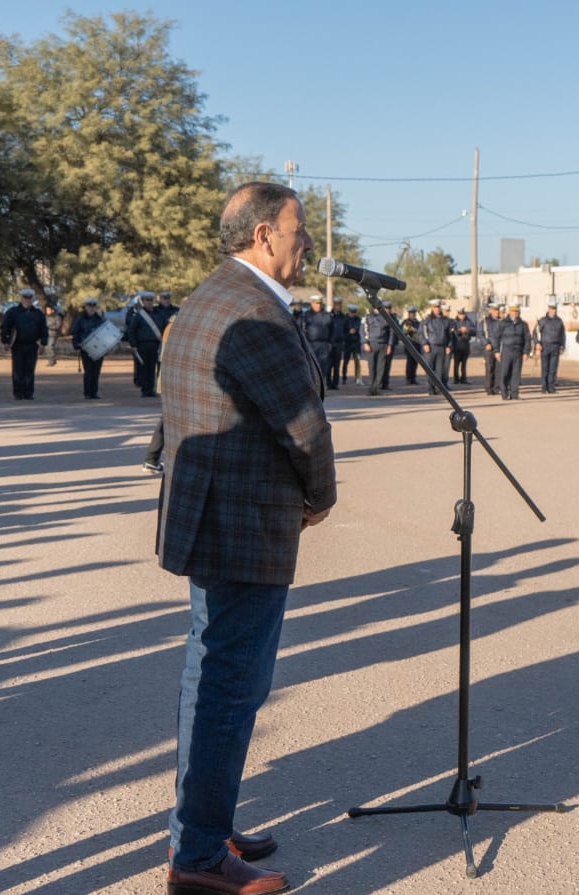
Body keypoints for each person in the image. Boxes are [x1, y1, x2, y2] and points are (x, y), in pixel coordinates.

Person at [158, 181, 333, 895]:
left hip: (211, 515)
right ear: (264, 235)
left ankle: (202, 825)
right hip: (241, 521)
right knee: (230, 687)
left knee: (212, 677)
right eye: (299, 231)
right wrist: (320, 497)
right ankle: (198, 858)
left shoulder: (212, 294)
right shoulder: (255, 308)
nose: (306, 244)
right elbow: (304, 425)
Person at [1, 289, 47, 400]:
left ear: (32, 299)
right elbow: (5, 327)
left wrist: (43, 343)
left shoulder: (38, 314)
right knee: (17, 370)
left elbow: (43, 329)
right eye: (25, 298)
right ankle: (18, 393)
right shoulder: (12, 312)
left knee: (30, 370)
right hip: (17, 345)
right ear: (21, 298)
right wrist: (5, 341)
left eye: (29, 298)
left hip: (32, 345)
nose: (27, 300)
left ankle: (28, 393)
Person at [71, 298, 109, 399]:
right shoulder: (80, 319)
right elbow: (75, 332)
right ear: (86, 307)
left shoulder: (100, 319)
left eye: (93, 306)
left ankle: (94, 392)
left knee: (96, 371)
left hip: (99, 348)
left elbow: (105, 333)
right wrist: (77, 344)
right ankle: (87, 393)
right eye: (89, 306)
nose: (91, 308)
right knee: (88, 371)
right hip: (86, 348)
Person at [495, 302, 532, 399]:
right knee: (505, 372)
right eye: (513, 311)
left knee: (516, 373)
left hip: (518, 351)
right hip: (507, 350)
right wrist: (497, 351)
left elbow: (527, 339)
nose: (515, 313)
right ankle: (504, 393)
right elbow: (497, 338)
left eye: (517, 312)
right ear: (509, 312)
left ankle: (514, 394)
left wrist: (526, 352)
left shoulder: (523, 325)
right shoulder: (503, 323)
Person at [419, 300, 453, 394]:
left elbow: (449, 335)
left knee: (440, 370)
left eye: (438, 307)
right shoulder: (427, 321)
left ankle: (439, 388)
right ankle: (430, 388)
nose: (437, 309)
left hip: (442, 348)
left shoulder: (445, 321)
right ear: (432, 308)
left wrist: (449, 346)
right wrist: (425, 343)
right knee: (429, 369)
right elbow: (422, 334)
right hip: (430, 347)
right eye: (435, 307)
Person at [533, 302, 566, 393]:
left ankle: (551, 387)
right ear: (548, 309)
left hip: (555, 346)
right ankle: (544, 386)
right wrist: (537, 344)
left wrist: (562, 345)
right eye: (551, 308)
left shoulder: (559, 321)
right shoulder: (542, 320)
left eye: (554, 309)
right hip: (545, 345)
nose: (553, 311)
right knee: (545, 367)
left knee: (553, 368)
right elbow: (536, 333)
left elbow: (562, 334)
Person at [362, 303, 394, 395]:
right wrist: (365, 342)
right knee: (372, 367)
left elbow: (391, 332)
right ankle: (371, 387)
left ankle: (377, 387)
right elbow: (364, 330)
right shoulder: (368, 317)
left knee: (381, 368)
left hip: (383, 344)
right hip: (371, 344)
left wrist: (390, 345)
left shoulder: (386, 317)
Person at [301, 295, 334, 384]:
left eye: (319, 304)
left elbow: (332, 329)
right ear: (312, 304)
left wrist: (330, 343)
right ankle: (313, 386)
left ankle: (321, 385)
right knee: (311, 366)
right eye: (316, 304)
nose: (318, 306)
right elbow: (301, 330)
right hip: (310, 344)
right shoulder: (306, 315)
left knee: (323, 366)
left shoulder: (327, 315)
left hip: (324, 344)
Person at [327, 298, 350, 389]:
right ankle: (328, 383)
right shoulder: (329, 316)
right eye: (336, 305)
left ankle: (335, 384)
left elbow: (347, 330)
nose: (338, 307)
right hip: (329, 344)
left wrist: (343, 337)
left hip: (339, 344)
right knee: (329, 365)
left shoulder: (344, 317)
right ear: (333, 305)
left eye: (339, 305)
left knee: (337, 366)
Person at [481, 303, 504, 394]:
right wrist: (486, 343)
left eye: (497, 310)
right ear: (490, 311)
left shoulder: (502, 322)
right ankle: (489, 387)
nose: (497, 312)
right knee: (490, 368)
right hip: (489, 348)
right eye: (494, 310)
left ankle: (496, 387)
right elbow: (480, 334)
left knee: (498, 369)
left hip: (499, 348)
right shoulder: (485, 322)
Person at [449, 307, 472, 385]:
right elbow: (452, 332)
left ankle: (464, 378)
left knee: (464, 364)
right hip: (457, 345)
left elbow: (475, 330)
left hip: (466, 345)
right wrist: (459, 330)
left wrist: (467, 330)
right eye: (460, 314)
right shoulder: (454, 322)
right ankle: (456, 379)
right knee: (456, 364)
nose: (462, 316)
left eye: (463, 314)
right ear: (458, 314)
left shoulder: (468, 322)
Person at [400, 306, 420, 384]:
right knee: (410, 362)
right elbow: (404, 331)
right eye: (411, 313)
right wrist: (411, 329)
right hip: (409, 344)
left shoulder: (417, 322)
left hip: (417, 344)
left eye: (414, 313)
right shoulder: (406, 322)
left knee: (415, 362)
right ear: (409, 314)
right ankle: (408, 378)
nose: (413, 314)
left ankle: (413, 378)